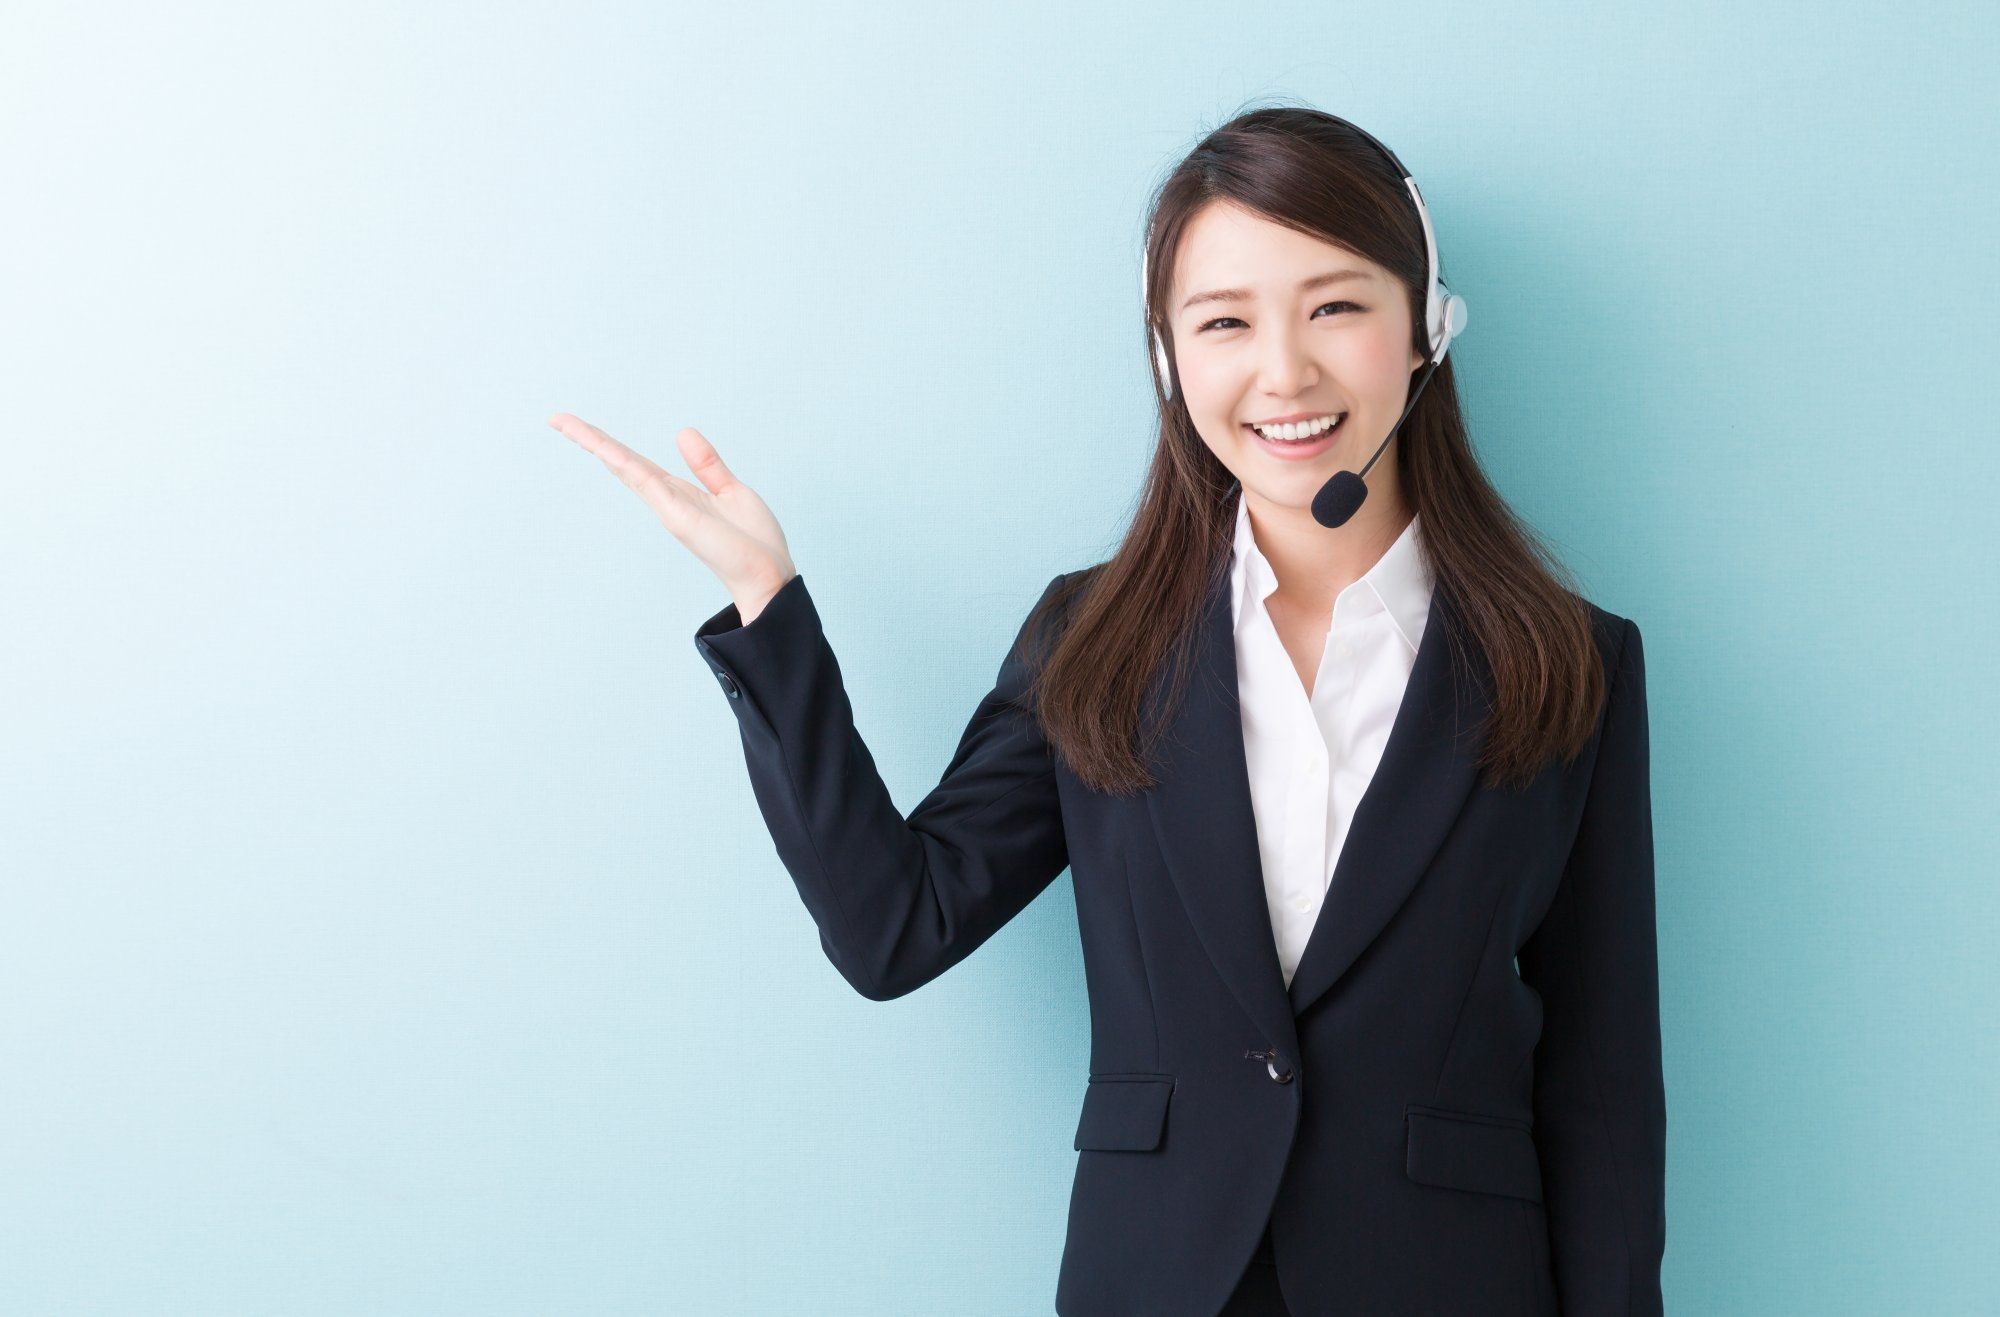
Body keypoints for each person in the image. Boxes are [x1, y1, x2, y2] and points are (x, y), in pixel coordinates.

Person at [551, 103, 1665, 1317]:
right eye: (1224, 321)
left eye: (1334, 305)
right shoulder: (1094, 642)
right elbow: (894, 927)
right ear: (1166, 359)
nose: (1283, 371)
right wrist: (769, 609)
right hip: (1161, 1281)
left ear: (1423, 327)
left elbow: (1601, 1089)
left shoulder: (1567, 661)